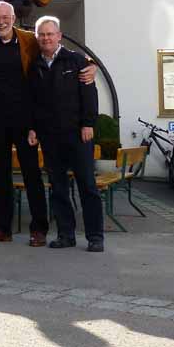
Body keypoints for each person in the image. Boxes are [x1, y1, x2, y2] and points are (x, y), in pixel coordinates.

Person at [0, 1, 96, 246]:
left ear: (13, 18)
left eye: (5, 17)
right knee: (1, 175)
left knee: (32, 174)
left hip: (26, 118)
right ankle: (2, 228)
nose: (1, 21)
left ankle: (39, 228)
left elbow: (58, 50)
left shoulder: (30, 39)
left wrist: (90, 64)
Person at [28, 16, 104, 252]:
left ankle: (95, 237)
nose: (46, 38)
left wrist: (88, 124)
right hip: (50, 137)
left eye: (50, 34)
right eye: (41, 34)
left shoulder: (76, 60)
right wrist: (33, 128)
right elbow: (32, 102)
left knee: (87, 186)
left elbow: (89, 94)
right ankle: (66, 234)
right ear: (37, 38)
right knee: (58, 187)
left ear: (59, 36)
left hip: (78, 134)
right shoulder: (35, 66)